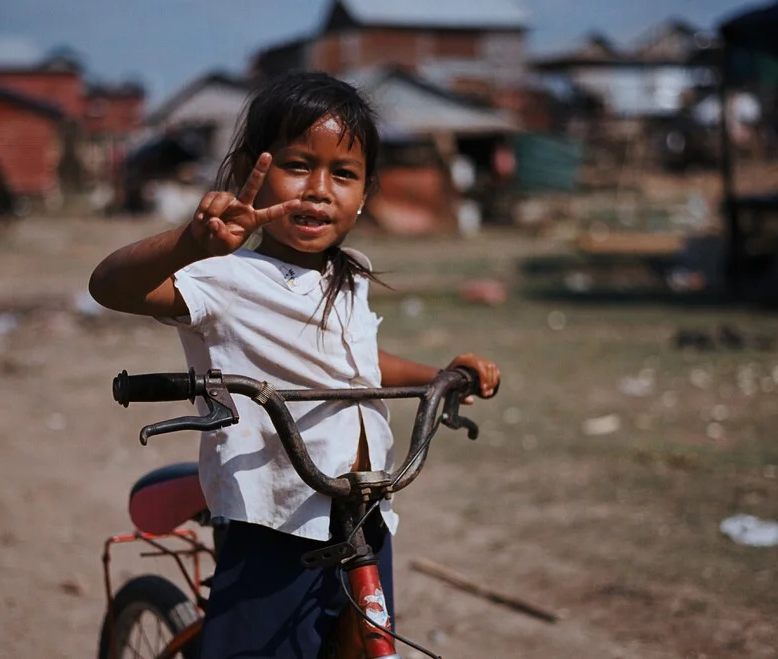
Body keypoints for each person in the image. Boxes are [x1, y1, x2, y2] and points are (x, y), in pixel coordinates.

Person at [88, 71, 501, 658]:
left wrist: (439, 376)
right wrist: (189, 244)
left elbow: (354, 364)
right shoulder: (224, 277)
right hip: (275, 523)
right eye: (298, 164)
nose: (318, 190)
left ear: (365, 193)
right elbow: (109, 286)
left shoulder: (346, 273)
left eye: (344, 174)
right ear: (247, 175)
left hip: (364, 512)